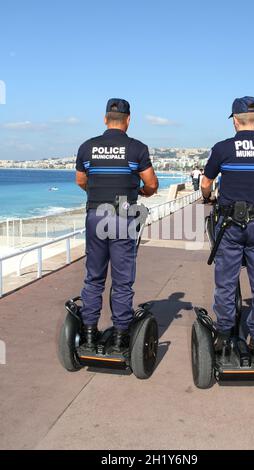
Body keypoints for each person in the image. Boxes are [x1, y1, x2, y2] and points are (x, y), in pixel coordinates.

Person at [76, 98, 158, 352]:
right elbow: (152, 184)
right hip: (123, 215)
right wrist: (141, 192)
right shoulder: (137, 149)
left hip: (95, 215)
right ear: (128, 120)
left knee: (94, 277)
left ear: (104, 118)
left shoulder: (87, 147)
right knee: (122, 281)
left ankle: (89, 334)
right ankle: (121, 336)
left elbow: (81, 181)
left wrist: (98, 193)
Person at [201, 96, 254, 352]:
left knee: (226, 280)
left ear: (235, 121)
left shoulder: (223, 148)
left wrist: (208, 197)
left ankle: (224, 333)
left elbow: (205, 183)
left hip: (230, 226)